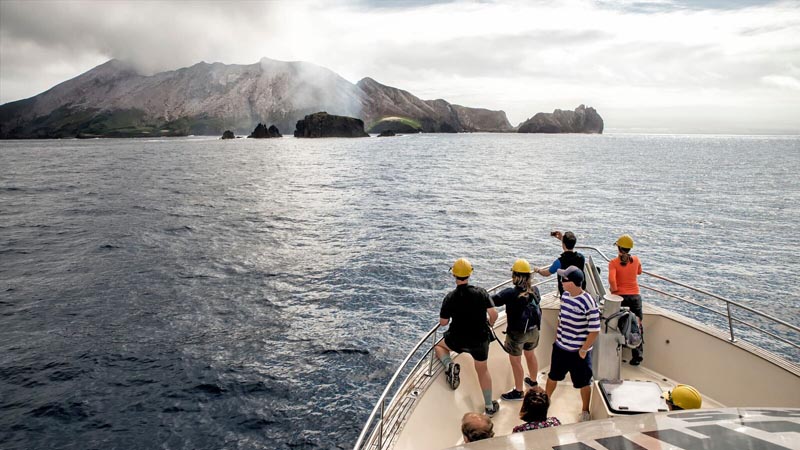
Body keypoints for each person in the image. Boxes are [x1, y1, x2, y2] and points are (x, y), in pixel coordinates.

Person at [435, 257, 500, 416]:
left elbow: (443, 323)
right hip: (480, 340)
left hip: (457, 339)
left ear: (454, 275)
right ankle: (489, 407)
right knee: (482, 371)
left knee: (439, 346)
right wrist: (490, 323)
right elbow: (494, 314)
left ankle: (449, 364)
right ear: (469, 274)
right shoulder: (481, 293)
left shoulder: (450, 297)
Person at [545, 266, 600, 422]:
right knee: (552, 376)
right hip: (561, 348)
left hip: (578, 352)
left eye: (564, 279)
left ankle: (585, 411)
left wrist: (583, 350)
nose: (561, 282)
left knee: (584, 382)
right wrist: (557, 338)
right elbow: (561, 318)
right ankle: (545, 403)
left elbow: (595, 330)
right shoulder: (565, 296)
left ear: (573, 283)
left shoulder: (588, 302)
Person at [491, 258, 541, 401]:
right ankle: (533, 381)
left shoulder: (510, 293)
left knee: (516, 362)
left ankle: (518, 391)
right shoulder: (535, 290)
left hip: (516, 334)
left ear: (516, 276)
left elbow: (490, 300)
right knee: (530, 355)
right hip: (534, 331)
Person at [608, 234, 645, 365]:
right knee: (638, 325)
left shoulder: (613, 263)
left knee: (617, 324)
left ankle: (618, 350)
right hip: (635, 297)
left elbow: (612, 280)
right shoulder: (636, 259)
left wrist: (614, 290)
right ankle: (637, 356)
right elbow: (639, 272)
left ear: (618, 247)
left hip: (620, 297)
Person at [535, 231, 586, 296]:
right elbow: (569, 244)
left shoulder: (559, 262)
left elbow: (546, 273)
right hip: (579, 291)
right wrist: (562, 239)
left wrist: (538, 270)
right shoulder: (581, 257)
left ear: (563, 244)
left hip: (566, 295)